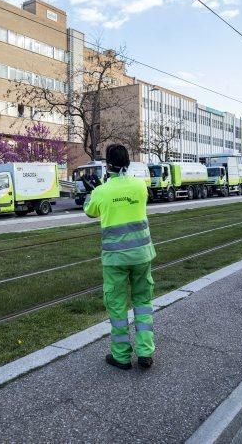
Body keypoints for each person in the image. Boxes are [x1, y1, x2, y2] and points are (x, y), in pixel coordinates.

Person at [83, 144, 156, 370]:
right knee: (143, 303)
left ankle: (121, 356)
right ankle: (145, 352)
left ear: (107, 165)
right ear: (128, 162)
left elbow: (89, 211)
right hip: (142, 255)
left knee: (117, 307)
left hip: (115, 259)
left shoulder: (102, 191)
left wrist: (93, 190)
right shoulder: (140, 186)